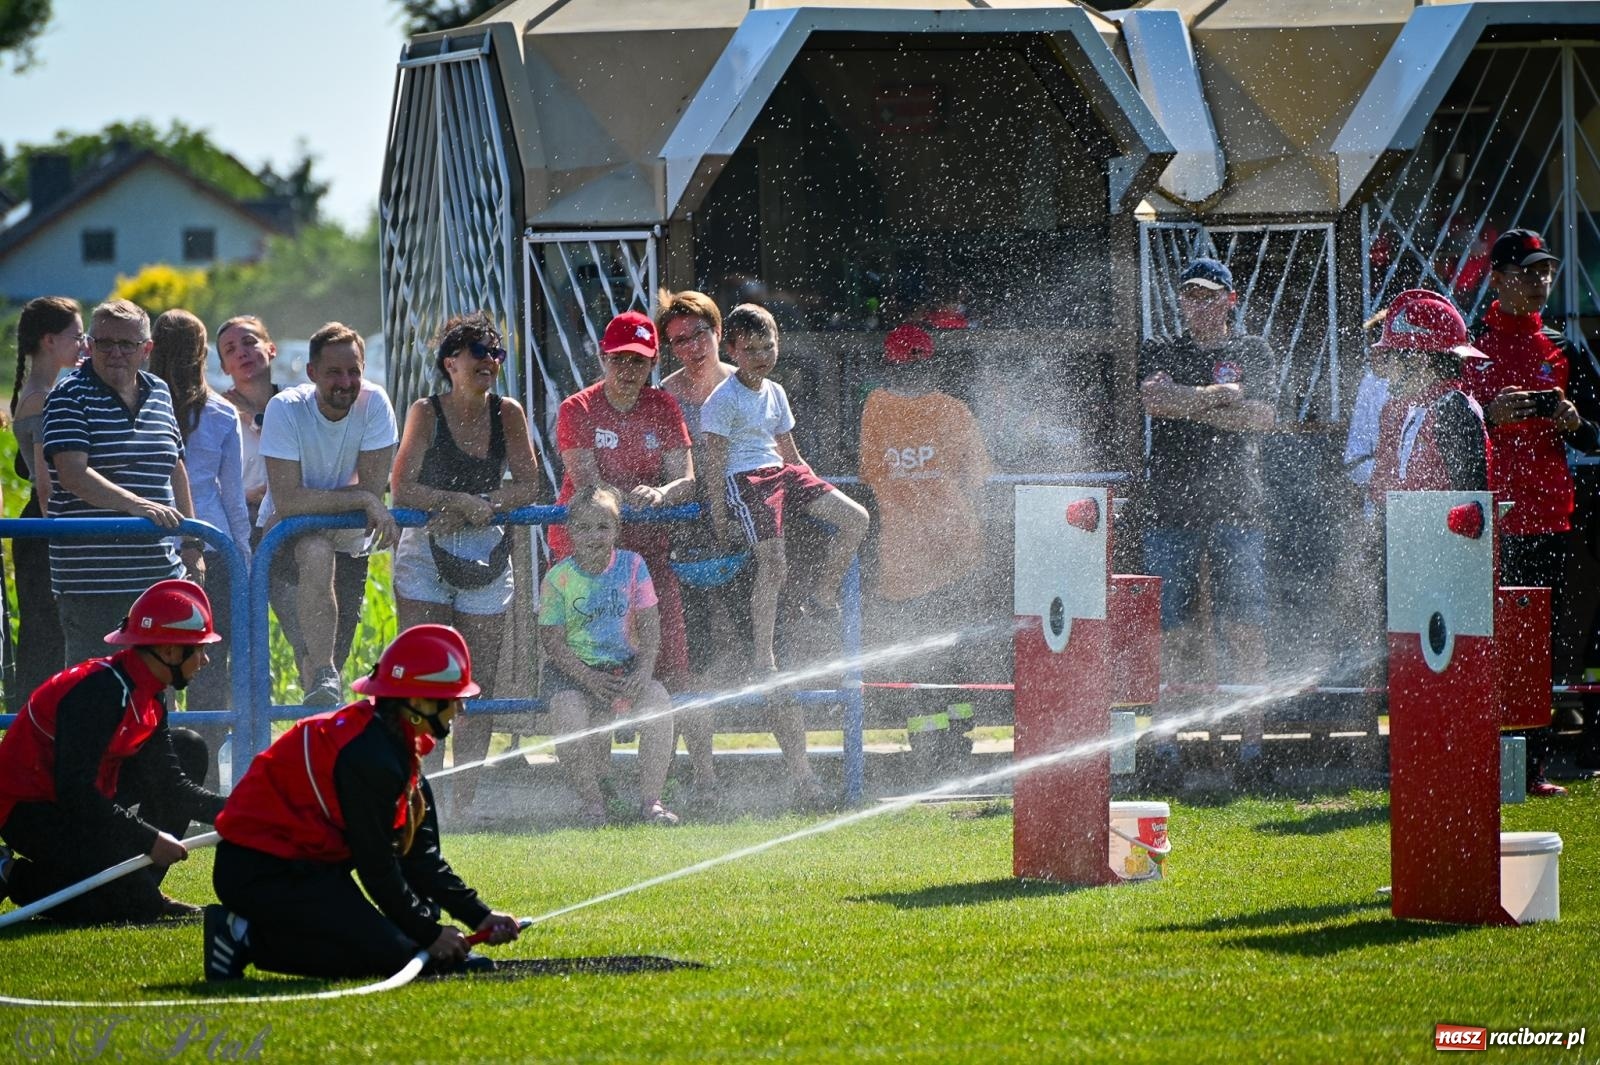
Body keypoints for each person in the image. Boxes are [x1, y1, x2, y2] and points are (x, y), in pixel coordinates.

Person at [208, 624, 521, 980]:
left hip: (313, 866)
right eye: (452, 698)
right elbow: (377, 866)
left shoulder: (400, 751)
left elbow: (420, 858)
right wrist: (429, 935)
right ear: (417, 704)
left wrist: (480, 915)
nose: (461, 708)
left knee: (407, 946)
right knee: (395, 957)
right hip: (262, 872)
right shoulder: (370, 757)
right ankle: (239, 937)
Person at [699, 303, 870, 805]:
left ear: (778, 343)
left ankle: (822, 593)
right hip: (744, 480)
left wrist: (815, 486)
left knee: (856, 518)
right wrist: (718, 515)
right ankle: (763, 654)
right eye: (749, 349)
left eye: (768, 345)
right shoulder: (721, 400)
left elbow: (790, 454)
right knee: (773, 560)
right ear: (732, 351)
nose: (761, 356)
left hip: (780, 473)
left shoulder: (776, 392)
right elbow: (712, 463)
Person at [1460, 230, 1600, 797]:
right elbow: (1441, 432)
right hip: (1486, 518)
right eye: (1526, 272)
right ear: (1497, 278)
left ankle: (1533, 767)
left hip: (1550, 515)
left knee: (1537, 644)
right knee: (1484, 640)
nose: (1540, 281)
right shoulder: (1468, 344)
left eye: (1546, 272)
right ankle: (1477, 760)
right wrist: (1487, 415)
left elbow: (1596, 431)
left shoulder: (1563, 347)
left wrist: (1573, 423)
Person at [0, 580, 224, 923]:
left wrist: (243, 813)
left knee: (188, 747)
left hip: (81, 800)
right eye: (198, 648)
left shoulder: (150, 689)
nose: (205, 659)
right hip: (31, 811)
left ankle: (140, 889)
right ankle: (8, 872)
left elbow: (171, 786)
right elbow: (75, 792)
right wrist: (147, 838)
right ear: (168, 652)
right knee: (130, 906)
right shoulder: (97, 693)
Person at [391, 312, 541, 820]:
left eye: (496, 353)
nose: (490, 361)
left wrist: (489, 504)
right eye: (479, 351)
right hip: (426, 554)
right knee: (425, 676)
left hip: (485, 550)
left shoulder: (509, 413)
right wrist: (457, 500)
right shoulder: (425, 411)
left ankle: (465, 803)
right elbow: (402, 488)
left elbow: (528, 485)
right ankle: (422, 796)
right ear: (450, 362)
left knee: (476, 681)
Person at [1136, 258, 1278, 784]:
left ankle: (1252, 750)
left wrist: (1187, 401)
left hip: (1240, 508)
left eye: (1207, 295)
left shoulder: (1252, 351)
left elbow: (1262, 417)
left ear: (1229, 299)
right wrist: (1217, 399)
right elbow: (1154, 401)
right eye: (1189, 295)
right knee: (1167, 630)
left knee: (1244, 629)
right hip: (1171, 510)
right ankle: (1165, 747)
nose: (1196, 304)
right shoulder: (1162, 350)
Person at [550, 311, 695, 751]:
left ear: (653, 363)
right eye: (620, 360)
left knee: (667, 664)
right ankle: (596, 785)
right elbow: (589, 484)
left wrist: (661, 494)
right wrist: (635, 498)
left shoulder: (663, 405)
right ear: (603, 358)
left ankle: (669, 781)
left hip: (648, 558)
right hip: (589, 560)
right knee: (591, 666)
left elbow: (685, 478)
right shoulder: (578, 408)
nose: (629, 371)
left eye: (639, 361)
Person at [858, 324, 994, 771]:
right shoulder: (953, 411)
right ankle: (954, 743)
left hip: (909, 560)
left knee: (919, 658)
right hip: (952, 553)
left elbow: (870, 475)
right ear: (931, 362)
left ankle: (931, 746)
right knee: (952, 656)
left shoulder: (875, 409)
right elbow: (978, 481)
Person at [42, 299, 201, 667]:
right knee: (96, 692)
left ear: (146, 349)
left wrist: (192, 542)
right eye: (104, 342)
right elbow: (72, 473)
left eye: (127, 344)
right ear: (89, 345)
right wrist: (136, 505)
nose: (115, 352)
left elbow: (175, 466)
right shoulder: (68, 395)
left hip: (159, 573)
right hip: (93, 583)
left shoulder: (159, 391)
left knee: (160, 685)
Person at [258, 322, 399, 706]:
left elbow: (371, 488)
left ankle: (318, 744)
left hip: (348, 542)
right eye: (335, 372)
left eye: (353, 371)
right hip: (285, 539)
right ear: (312, 373)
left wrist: (360, 499)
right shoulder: (285, 408)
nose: (346, 381)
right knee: (316, 664)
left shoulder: (375, 403)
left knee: (333, 661)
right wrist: (363, 501)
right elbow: (287, 500)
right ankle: (320, 686)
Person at [540, 486, 680, 826]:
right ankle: (593, 804)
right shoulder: (558, 578)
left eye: (603, 527)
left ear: (617, 530)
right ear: (570, 531)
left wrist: (644, 672)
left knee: (659, 704)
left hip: (626, 667)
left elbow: (650, 629)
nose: (594, 536)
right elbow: (553, 644)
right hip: (575, 670)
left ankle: (651, 802)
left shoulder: (633, 566)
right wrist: (587, 678)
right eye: (584, 528)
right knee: (567, 713)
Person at [658, 290, 740, 801]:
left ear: (718, 331)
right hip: (685, 543)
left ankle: (802, 779)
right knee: (689, 663)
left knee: (760, 654)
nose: (690, 347)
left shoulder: (746, 383)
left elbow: (781, 454)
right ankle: (704, 778)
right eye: (678, 340)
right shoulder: (666, 395)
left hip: (745, 537)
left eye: (698, 334)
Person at [149, 310, 252, 717]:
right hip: (212, 546)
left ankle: (156, 744)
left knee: (154, 658)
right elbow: (232, 497)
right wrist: (242, 552)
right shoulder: (222, 413)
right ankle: (205, 761)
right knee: (208, 658)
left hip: (154, 542)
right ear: (201, 352)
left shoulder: (142, 406)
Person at [216, 315, 301, 670]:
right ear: (222, 366)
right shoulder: (214, 411)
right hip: (238, 531)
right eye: (230, 349)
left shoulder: (299, 404)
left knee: (305, 634)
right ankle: (239, 722)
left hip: (291, 529)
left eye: (250, 341)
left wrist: (282, 490)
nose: (243, 353)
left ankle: (318, 715)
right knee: (238, 641)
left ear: (271, 347)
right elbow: (202, 478)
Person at [8, 297, 83, 698]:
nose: (83, 343)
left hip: (45, 526)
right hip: (46, 528)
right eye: (77, 335)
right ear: (50, 340)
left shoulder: (49, 390)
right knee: (46, 637)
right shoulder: (42, 397)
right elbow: (45, 481)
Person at [1367, 289, 1492, 501]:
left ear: (1418, 361)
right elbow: (1384, 491)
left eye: (1391, 358)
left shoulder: (1452, 409)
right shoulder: (1403, 409)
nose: (1386, 372)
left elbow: (1470, 503)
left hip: (1445, 533)